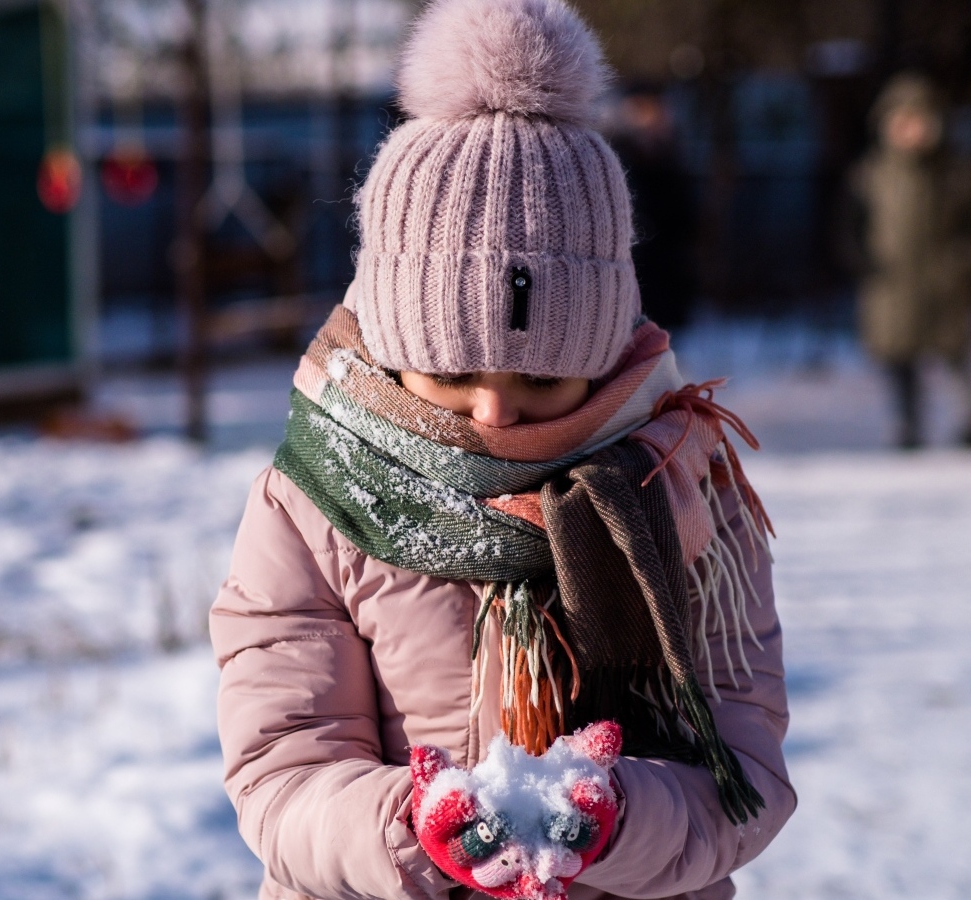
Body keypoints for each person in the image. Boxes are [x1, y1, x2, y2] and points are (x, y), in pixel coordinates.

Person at [208, 2, 795, 899]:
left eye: (543, 383)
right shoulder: (313, 506)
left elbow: (742, 772)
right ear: (391, 344)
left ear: (603, 357)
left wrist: (621, 816)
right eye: (450, 377)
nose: (494, 414)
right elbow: (283, 770)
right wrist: (408, 827)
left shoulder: (683, 487)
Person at [844, 73, 971, 449]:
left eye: (919, 121)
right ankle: (907, 427)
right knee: (899, 362)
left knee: (957, 357)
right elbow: (847, 226)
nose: (911, 131)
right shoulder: (871, 174)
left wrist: (962, 260)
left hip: (944, 283)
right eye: (902, 122)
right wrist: (865, 261)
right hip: (891, 287)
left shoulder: (959, 173)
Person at [610, 84, 698, 332]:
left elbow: (685, 218)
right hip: (633, 272)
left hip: (667, 272)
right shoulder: (617, 156)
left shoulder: (672, 158)